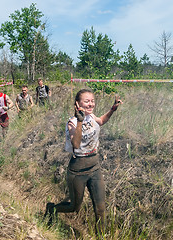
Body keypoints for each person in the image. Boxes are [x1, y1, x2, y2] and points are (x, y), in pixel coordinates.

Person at [44, 88, 122, 235]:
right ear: (77, 104)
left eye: (92, 101)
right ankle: (52, 209)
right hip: (77, 170)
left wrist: (112, 109)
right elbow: (76, 144)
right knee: (74, 207)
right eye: (86, 101)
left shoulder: (92, 116)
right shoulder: (72, 122)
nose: (90, 104)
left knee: (100, 208)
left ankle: (101, 237)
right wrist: (80, 121)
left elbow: (102, 121)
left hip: (95, 167)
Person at [0, 83, 14, 147]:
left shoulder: (4, 96)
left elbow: (11, 103)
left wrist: (8, 107)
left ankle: (4, 143)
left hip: (3, 116)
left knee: (5, 133)